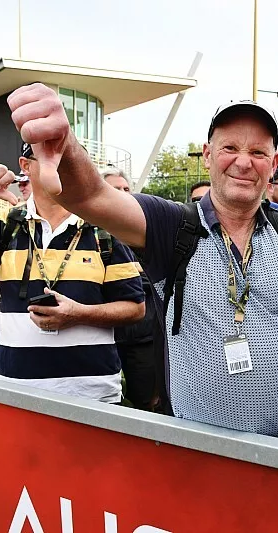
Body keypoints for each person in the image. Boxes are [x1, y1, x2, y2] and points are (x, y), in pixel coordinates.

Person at [1, 83, 278, 437]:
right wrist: (66, 141)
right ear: (208, 155)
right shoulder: (172, 226)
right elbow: (93, 195)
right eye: (230, 147)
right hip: (195, 457)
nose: (244, 162)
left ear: (274, 165)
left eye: (259, 152)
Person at [0, 146, 147, 403]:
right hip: (12, 393)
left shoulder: (104, 227)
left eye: (69, 158)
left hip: (92, 398)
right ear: (25, 166)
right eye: (47, 158)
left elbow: (135, 308)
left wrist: (79, 315)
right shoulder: (4, 223)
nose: (60, 165)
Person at [102, 168, 160, 410]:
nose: (123, 194)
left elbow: (157, 274)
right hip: (103, 336)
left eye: (126, 189)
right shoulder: (87, 233)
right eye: (116, 189)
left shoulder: (145, 231)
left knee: (147, 401)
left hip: (142, 335)